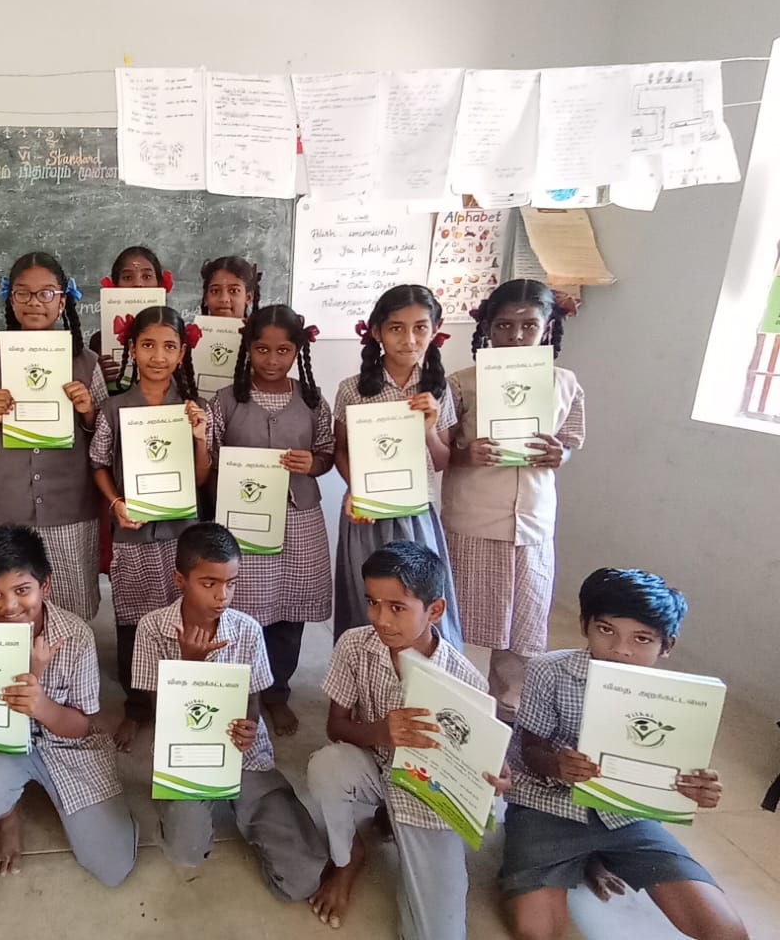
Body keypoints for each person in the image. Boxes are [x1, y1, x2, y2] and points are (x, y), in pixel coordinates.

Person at [501, 568, 748, 940]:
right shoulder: (549, 670)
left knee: (727, 932)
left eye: (642, 638)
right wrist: (557, 764)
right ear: (585, 624)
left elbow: (675, 770)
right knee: (535, 932)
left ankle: (593, 858)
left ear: (667, 645)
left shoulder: (680, 698)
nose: (620, 649)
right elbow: (528, 748)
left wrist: (697, 789)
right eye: (606, 630)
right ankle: (579, 860)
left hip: (625, 816)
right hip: (547, 808)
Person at [307, 541, 502, 939]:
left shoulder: (467, 682)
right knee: (326, 766)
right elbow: (336, 727)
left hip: (427, 797)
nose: (381, 618)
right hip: (371, 767)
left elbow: (482, 767)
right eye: (372, 602)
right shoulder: (354, 645)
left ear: (434, 611)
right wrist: (380, 731)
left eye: (397, 607)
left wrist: (495, 774)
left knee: (437, 934)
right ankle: (347, 858)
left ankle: (392, 824)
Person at [132, 523, 328, 901]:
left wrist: (250, 728)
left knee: (303, 878)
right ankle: (186, 805)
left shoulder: (248, 630)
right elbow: (164, 716)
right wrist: (189, 665)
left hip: (243, 755)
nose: (223, 595)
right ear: (180, 579)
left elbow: (253, 698)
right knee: (185, 852)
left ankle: (253, 810)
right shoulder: (152, 629)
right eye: (209, 583)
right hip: (185, 754)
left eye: (231, 583)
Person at [0, 526, 137, 886]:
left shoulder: (76, 636)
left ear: (45, 586)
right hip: (0, 746)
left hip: (69, 745)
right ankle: (8, 815)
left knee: (114, 866)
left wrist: (41, 706)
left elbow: (81, 727)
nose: (9, 606)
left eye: (22, 590)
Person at [444, 279, 584, 721]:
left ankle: (508, 710)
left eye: (528, 325)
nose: (516, 336)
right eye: (504, 325)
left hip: (532, 527)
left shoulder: (564, 383)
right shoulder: (461, 384)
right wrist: (466, 453)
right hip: (473, 521)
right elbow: (438, 449)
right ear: (488, 327)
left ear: (548, 328)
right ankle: (453, 707)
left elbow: (572, 440)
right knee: (459, 622)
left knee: (522, 631)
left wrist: (562, 453)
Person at [208, 304, 334, 736]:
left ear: (298, 351)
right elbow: (206, 456)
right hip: (241, 521)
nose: (272, 360)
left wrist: (312, 463)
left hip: (297, 519)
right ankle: (244, 694)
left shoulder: (313, 400)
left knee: (288, 610)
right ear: (249, 348)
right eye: (262, 349)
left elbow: (328, 452)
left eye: (283, 351)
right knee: (242, 608)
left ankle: (278, 691)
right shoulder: (225, 400)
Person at [0, 252, 108, 622]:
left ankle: (73, 668)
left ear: (63, 301)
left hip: (69, 504)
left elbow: (104, 436)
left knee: (70, 599)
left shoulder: (87, 362)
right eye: (24, 294)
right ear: (11, 300)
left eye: (46, 294)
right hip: (9, 503)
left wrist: (87, 409)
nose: (34, 303)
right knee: (12, 603)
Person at [89, 306, 209, 750]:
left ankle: (183, 702)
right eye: (148, 345)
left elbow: (199, 478)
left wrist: (198, 435)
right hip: (133, 533)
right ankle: (138, 705)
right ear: (132, 349)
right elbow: (98, 464)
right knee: (133, 624)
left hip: (181, 537)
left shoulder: (194, 408)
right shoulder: (114, 408)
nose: (158, 356)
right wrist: (117, 503)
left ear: (182, 353)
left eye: (169, 346)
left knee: (185, 618)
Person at [332, 285, 461, 644]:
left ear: (435, 331)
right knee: (367, 597)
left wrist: (430, 429)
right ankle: (362, 676)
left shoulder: (438, 390)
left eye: (420, 327)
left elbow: (442, 460)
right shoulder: (352, 389)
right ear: (376, 332)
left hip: (414, 511)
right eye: (396, 328)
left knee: (414, 597)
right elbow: (340, 450)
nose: (409, 338)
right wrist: (357, 488)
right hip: (365, 513)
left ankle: (422, 679)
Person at [91, 245, 173, 389]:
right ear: (114, 286)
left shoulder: (177, 337)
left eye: (147, 277)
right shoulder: (99, 341)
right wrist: (98, 378)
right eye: (128, 277)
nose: (138, 284)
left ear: (160, 285)